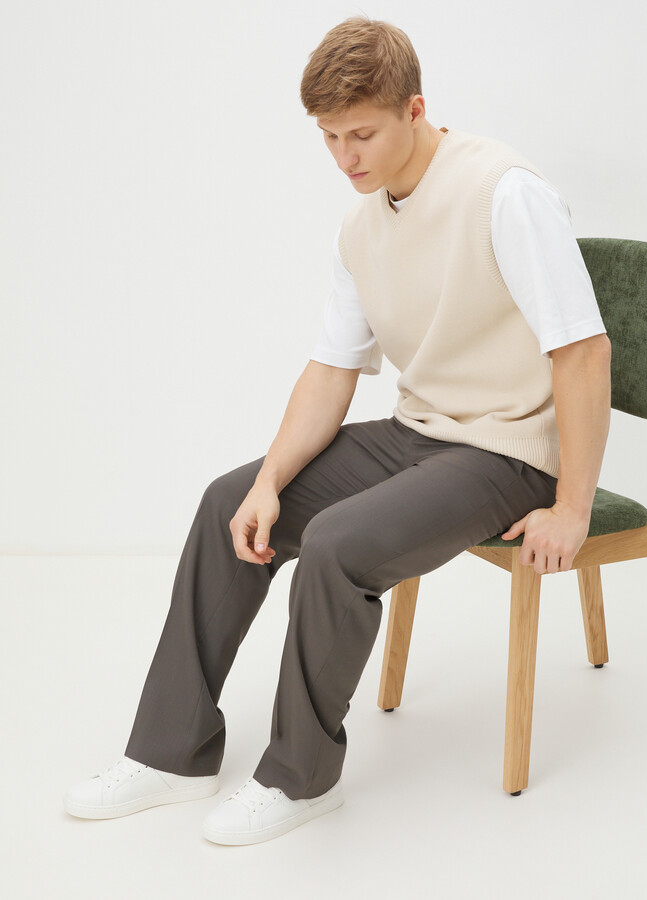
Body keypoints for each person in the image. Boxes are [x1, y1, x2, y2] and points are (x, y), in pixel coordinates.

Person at [63, 15, 612, 845]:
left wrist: (571, 507)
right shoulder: (360, 226)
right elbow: (329, 371)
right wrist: (268, 482)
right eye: (327, 137)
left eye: (361, 134)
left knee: (336, 544)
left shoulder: (502, 192)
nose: (344, 156)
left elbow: (582, 351)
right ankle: (172, 753)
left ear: (414, 109)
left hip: (507, 451)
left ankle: (300, 778)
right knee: (227, 505)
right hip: (418, 433)